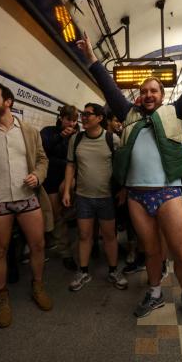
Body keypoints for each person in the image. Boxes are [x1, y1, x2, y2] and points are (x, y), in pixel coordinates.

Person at [76, 23, 182, 325]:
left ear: (162, 95)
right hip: (138, 196)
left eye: (154, 91)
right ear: (138, 97)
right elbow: (107, 87)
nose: (148, 95)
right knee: (150, 251)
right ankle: (155, 293)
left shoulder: (175, 112)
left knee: (180, 252)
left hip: (169, 192)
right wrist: (90, 58)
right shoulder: (129, 115)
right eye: (144, 91)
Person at [0, 82, 53, 329]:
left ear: (8, 102)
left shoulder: (28, 130)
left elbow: (42, 159)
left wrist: (38, 176)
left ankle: (37, 286)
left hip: (27, 197)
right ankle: (2, 298)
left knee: (37, 245)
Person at [62, 103, 128, 291]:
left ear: (99, 118)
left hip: (106, 197)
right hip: (83, 197)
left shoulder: (111, 139)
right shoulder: (76, 139)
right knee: (84, 235)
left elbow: (122, 166)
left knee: (109, 236)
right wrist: (67, 190)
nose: (83, 117)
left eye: (88, 114)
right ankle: (83, 272)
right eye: (82, 114)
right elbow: (70, 166)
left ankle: (113, 271)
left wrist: (123, 188)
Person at [40, 105, 79, 271]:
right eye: (68, 119)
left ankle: (66, 248)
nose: (71, 123)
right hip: (51, 181)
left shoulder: (78, 136)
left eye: (74, 120)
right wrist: (59, 137)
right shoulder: (48, 132)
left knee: (65, 212)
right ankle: (65, 252)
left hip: (68, 179)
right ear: (61, 118)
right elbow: (42, 151)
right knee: (57, 216)